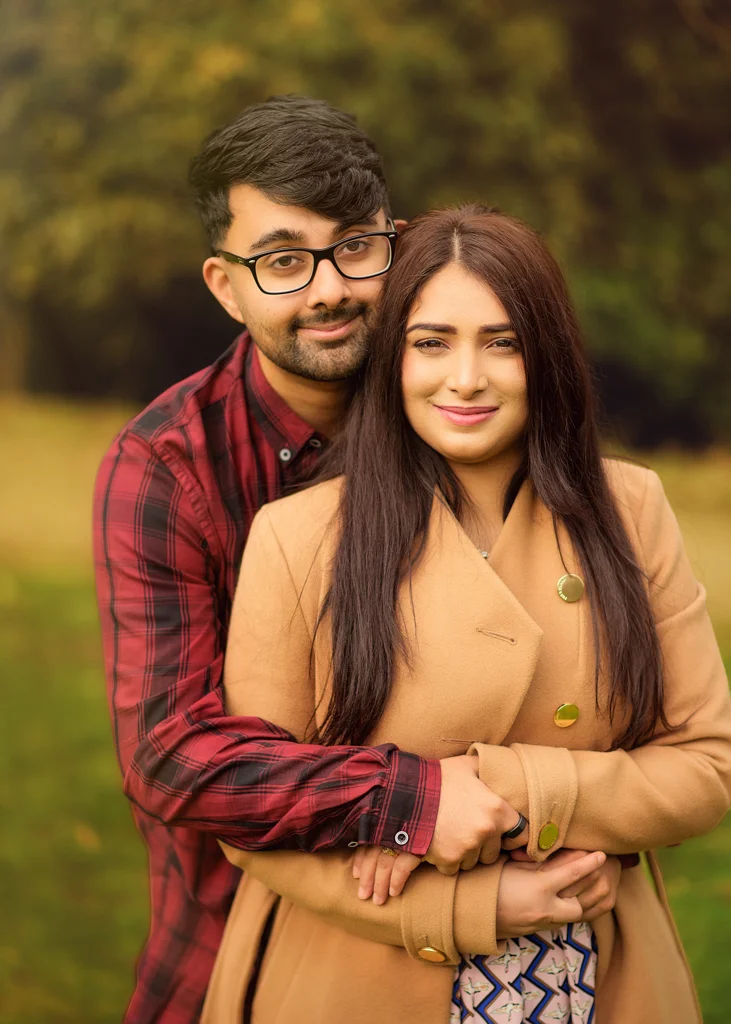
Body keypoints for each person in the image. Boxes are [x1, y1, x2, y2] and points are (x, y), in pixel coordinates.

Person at [95, 97, 585, 1023]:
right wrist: (409, 795)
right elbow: (171, 753)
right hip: (233, 931)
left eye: (355, 247)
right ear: (224, 286)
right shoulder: (168, 468)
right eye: (283, 261)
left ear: (397, 244)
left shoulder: (467, 412)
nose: (329, 289)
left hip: (512, 933)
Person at [202, 206, 731, 1024]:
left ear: (546, 355)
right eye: (431, 342)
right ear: (391, 358)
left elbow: (705, 765)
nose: (465, 378)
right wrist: (460, 904)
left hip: (592, 966)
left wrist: (500, 788)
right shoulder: (298, 537)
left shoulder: (629, 509)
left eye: (501, 342)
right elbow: (252, 810)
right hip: (357, 971)